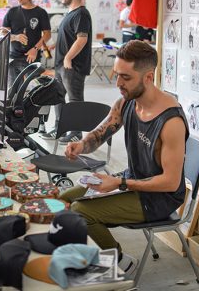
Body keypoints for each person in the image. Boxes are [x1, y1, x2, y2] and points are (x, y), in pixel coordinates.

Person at [60, 40, 188, 275]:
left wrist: (119, 183)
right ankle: (82, 254)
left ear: (148, 77)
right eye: (117, 75)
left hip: (159, 197)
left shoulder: (171, 122)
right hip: (133, 179)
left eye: (126, 77)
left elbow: (170, 182)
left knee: (80, 211)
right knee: (62, 200)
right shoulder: (128, 101)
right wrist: (81, 145)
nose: (118, 83)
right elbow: (101, 133)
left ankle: (120, 262)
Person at [41, 0, 92, 143]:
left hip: (72, 66)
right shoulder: (70, 13)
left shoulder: (81, 14)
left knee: (75, 99)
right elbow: (69, 36)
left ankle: (76, 132)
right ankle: (60, 129)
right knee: (57, 97)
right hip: (61, 65)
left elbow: (82, 39)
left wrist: (68, 57)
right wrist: (55, 46)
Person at [2, 0, 51, 85]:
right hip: (14, 58)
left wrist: (35, 49)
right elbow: (3, 33)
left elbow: (47, 34)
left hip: (32, 58)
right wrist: (15, 37)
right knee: (13, 91)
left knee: (33, 90)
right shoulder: (12, 12)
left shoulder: (41, 12)